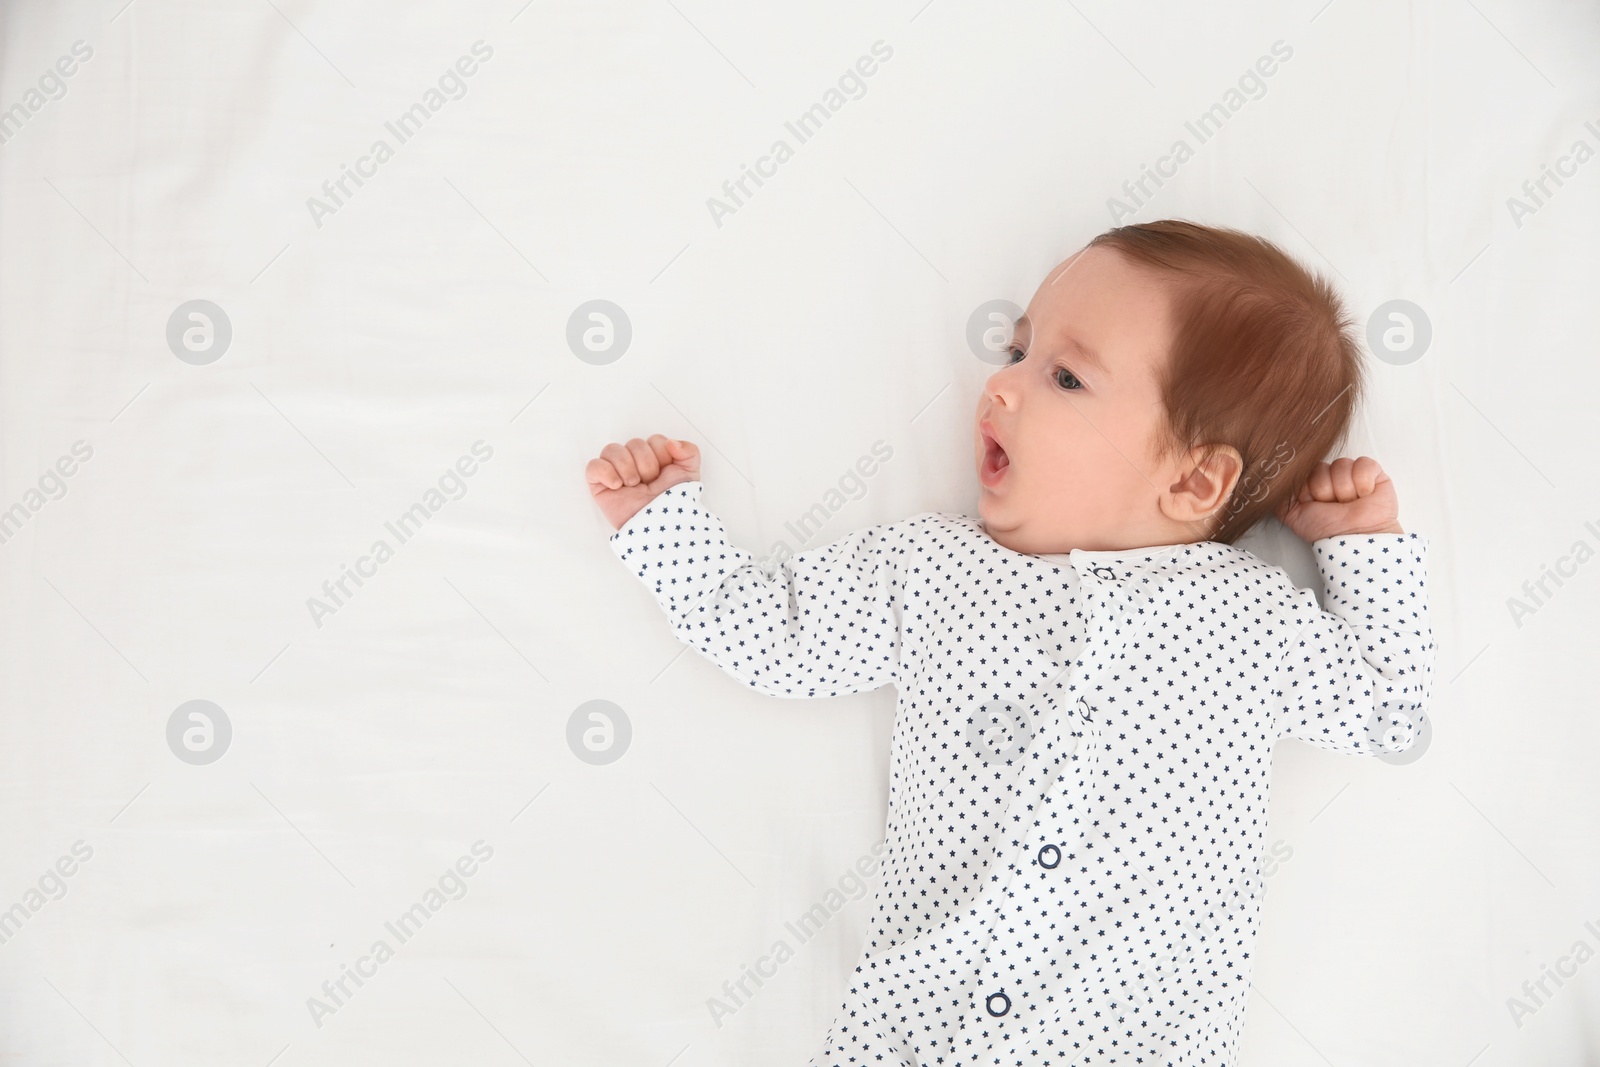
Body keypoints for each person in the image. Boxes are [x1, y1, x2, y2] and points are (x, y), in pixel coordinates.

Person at [587, 219, 1434, 1065]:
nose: (1001, 386)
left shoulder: (1251, 616)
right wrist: (666, 527)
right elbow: (780, 637)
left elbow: (1389, 709)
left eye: (1064, 376)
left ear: (1193, 479)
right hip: (923, 1031)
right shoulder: (930, 569)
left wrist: (1360, 544)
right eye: (1015, 349)